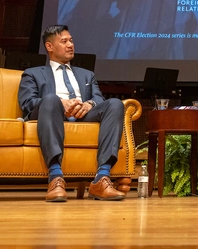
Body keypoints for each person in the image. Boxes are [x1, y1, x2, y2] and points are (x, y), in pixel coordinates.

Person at [19, 25, 126, 202]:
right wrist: (60, 103)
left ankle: (102, 178)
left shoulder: (87, 75)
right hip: (52, 112)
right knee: (51, 99)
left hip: (83, 115)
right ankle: (55, 178)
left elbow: (99, 98)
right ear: (49, 47)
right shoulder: (33, 74)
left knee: (115, 104)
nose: (70, 45)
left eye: (71, 40)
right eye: (64, 41)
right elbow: (28, 104)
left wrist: (89, 104)